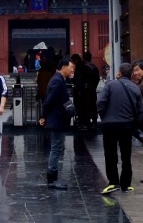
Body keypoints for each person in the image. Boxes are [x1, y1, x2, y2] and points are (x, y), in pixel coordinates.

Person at [97, 62, 143, 194]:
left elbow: (100, 102)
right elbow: (141, 111)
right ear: (131, 74)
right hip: (127, 125)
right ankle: (126, 184)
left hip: (110, 125)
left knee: (110, 154)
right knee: (126, 155)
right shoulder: (136, 88)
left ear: (120, 72)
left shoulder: (110, 85)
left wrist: (104, 116)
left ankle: (113, 182)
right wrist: (134, 123)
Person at [39, 56, 76, 189]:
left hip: (58, 119)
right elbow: (49, 101)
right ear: (64, 67)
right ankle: (52, 179)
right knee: (56, 148)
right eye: (71, 67)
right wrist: (43, 115)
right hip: (57, 120)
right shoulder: (57, 81)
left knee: (57, 147)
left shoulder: (59, 79)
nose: (72, 70)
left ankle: (53, 178)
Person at [77, 51, 101, 133]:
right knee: (93, 106)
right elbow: (97, 79)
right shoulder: (94, 68)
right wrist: (93, 86)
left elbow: (80, 79)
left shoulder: (82, 68)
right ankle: (94, 122)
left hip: (84, 91)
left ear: (84, 58)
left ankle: (86, 123)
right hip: (92, 90)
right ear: (91, 58)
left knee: (84, 106)